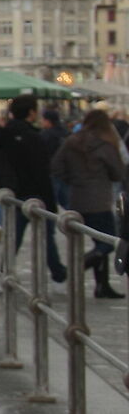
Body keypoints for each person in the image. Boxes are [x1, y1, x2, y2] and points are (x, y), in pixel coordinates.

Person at [0, 93, 65, 280]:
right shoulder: (33, 137)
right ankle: (58, 271)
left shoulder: (3, 134)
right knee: (45, 236)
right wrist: (51, 202)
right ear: (31, 112)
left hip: (11, 191)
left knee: (15, 235)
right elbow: (42, 171)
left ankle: (6, 268)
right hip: (34, 193)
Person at [52, 107, 127, 298]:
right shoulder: (105, 144)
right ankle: (79, 266)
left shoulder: (71, 141)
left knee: (99, 241)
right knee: (108, 243)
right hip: (99, 201)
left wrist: (73, 180)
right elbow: (118, 172)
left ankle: (102, 286)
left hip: (76, 199)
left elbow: (57, 166)